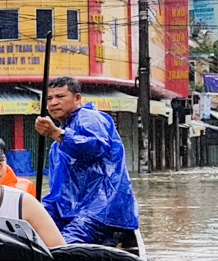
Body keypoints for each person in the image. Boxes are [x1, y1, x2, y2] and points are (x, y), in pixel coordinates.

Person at [33, 76, 139, 245]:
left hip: (102, 209)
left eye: (60, 97)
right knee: (29, 226)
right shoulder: (56, 147)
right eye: (49, 98)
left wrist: (56, 133)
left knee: (64, 246)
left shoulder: (89, 117)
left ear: (77, 98)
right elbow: (58, 188)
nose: (53, 103)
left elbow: (96, 148)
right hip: (68, 209)